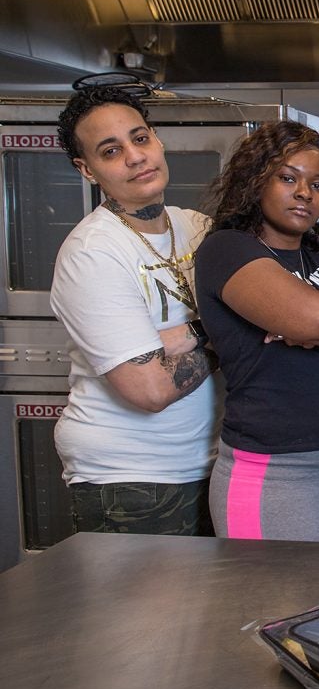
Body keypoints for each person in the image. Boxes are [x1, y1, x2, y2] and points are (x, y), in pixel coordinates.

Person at [195, 120, 319, 543]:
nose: (305, 193)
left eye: (318, 185)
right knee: (279, 608)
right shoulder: (226, 249)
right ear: (255, 179)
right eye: (288, 178)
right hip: (276, 473)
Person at [50, 86, 220, 535]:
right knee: (149, 610)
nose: (134, 156)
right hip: (130, 478)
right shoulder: (93, 252)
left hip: (211, 464)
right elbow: (148, 389)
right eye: (111, 150)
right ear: (86, 170)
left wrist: (172, 340)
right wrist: (218, 330)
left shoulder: (198, 227)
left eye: (140, 138)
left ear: (157, 141)